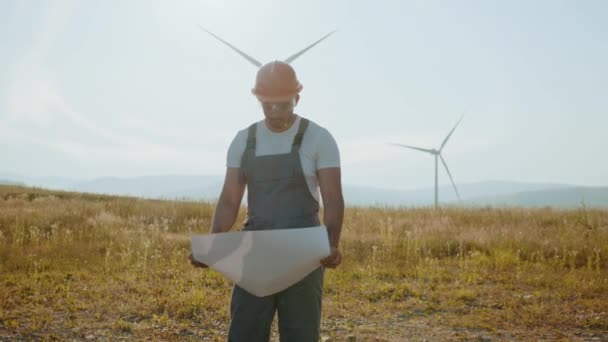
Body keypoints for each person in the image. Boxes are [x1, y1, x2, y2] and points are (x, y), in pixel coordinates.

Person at [189, 60, 344, 342]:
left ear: (297, 98)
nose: (275, 111)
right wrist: (213, 244)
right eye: (268, 104)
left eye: (283, 104)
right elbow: (228, 200)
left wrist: (331, 243)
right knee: (245, 333)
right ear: (258, 99)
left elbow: (333, 199)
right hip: (254, 254)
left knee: (301, 335)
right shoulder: (244, 140)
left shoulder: (319, 139)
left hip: (304, 255)